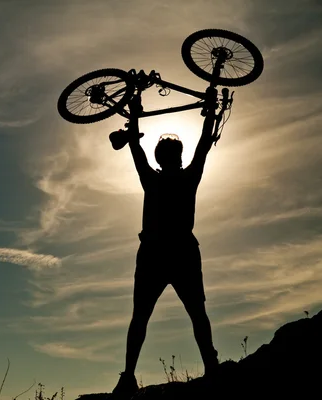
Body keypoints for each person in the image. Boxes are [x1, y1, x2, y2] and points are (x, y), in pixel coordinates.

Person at [111, 86, 221, 398]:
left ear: (161, 158)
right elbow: (203, 146)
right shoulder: (189, 177)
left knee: (141, 317)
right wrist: (210, 115)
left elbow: (135, 148)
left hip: (154, 253)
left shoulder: (152, 179)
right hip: (181, 251)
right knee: (196, 312)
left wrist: (134, 111)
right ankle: (211, 366)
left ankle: (128, 375)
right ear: (178, 156)